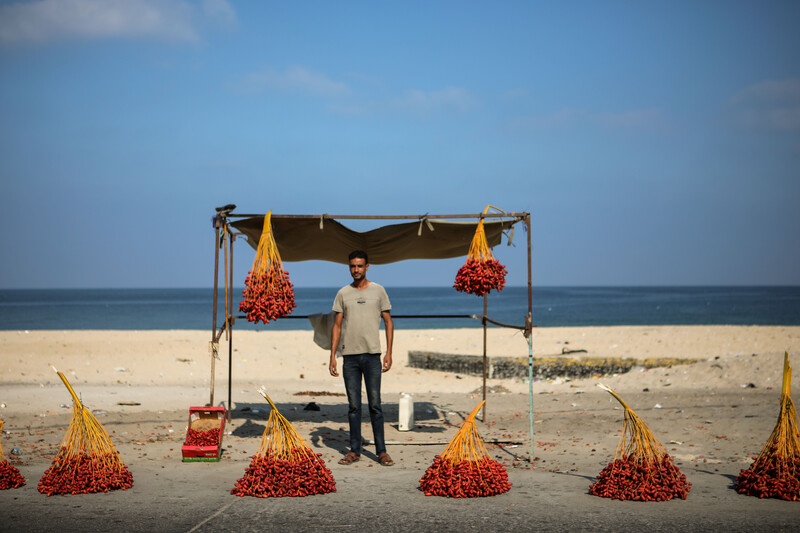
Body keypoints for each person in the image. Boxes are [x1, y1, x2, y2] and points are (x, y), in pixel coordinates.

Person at [329, 250, 395, 466]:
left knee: (375, 405)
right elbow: (337, 326)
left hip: (373, 356)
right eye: (352, 266)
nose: (355, 270)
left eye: (359, 266)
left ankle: (381, 451)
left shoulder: (379, 291)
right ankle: (354, 451)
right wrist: (332, 356)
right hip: (350, 358)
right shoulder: (343, 293)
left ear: (367, 267)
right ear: (349, 267)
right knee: (354, 406)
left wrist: (389, 352)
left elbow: (388, 321)